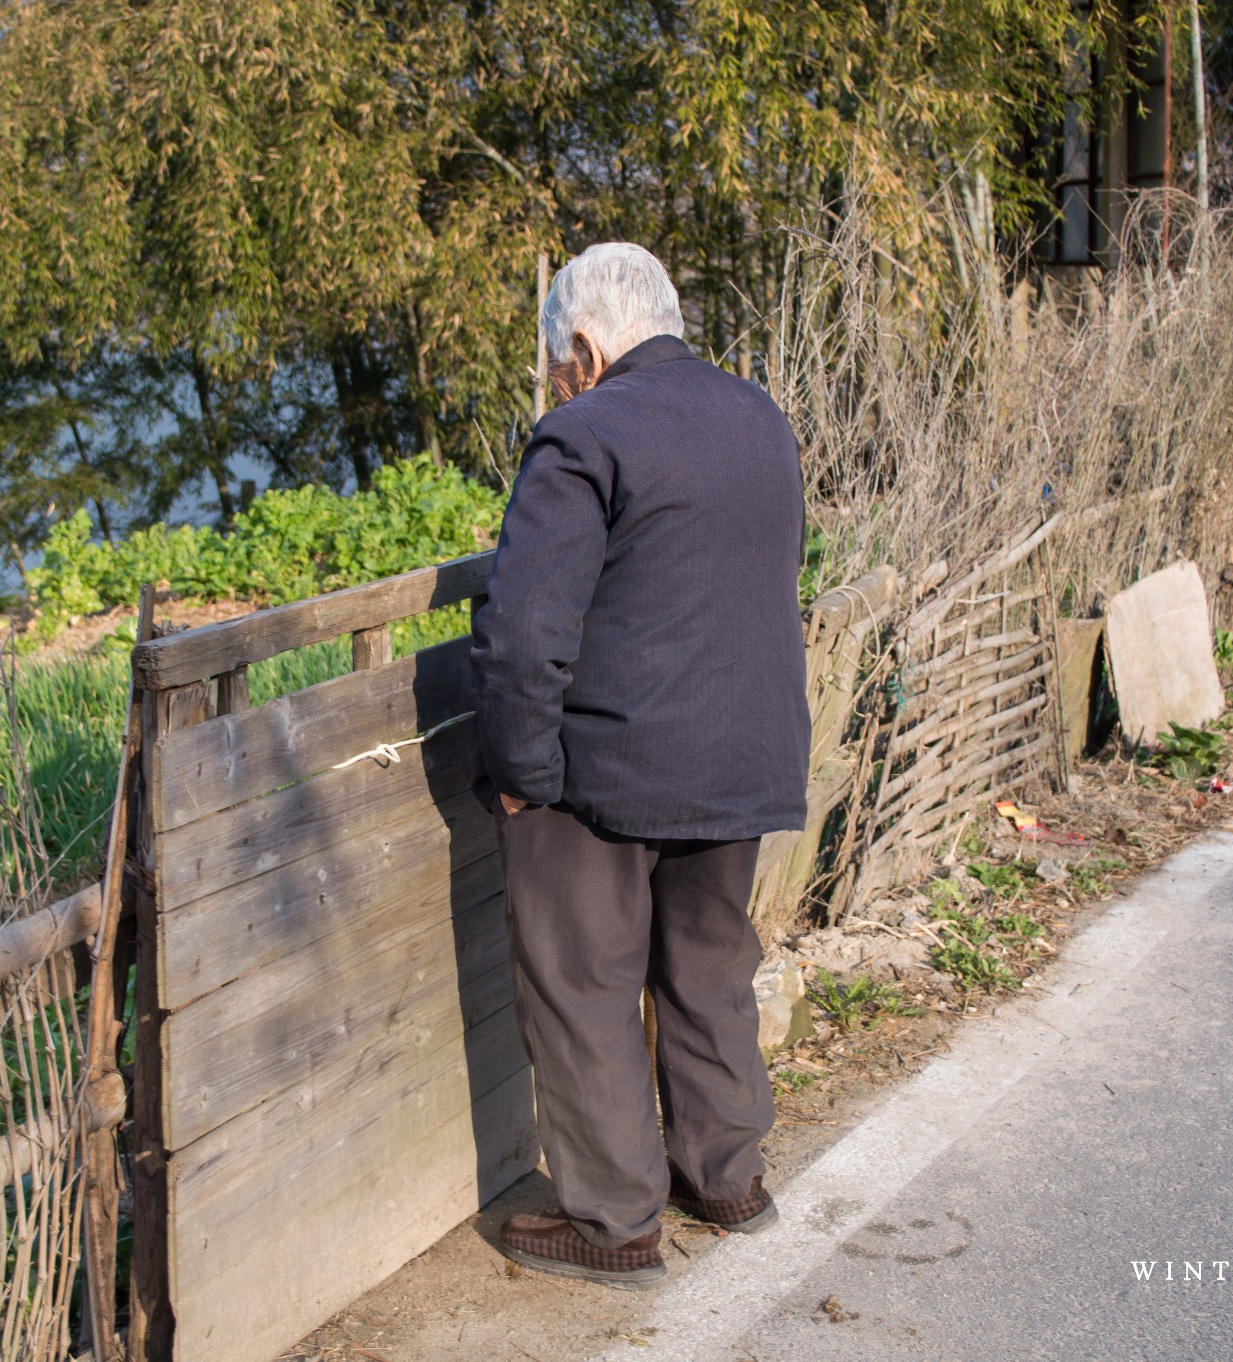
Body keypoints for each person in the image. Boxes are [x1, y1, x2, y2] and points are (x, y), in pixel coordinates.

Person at [470, 242, 811, 1289]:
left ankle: (613, 1223)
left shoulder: (582, 435)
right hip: (741, 759)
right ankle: (723, 1176)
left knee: (583, 983)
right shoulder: (757, 416)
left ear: (582, 344)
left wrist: (523, 769)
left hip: (608, 767)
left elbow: (526, 631)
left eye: (552, 359)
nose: (554, 379)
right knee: (709, 967)